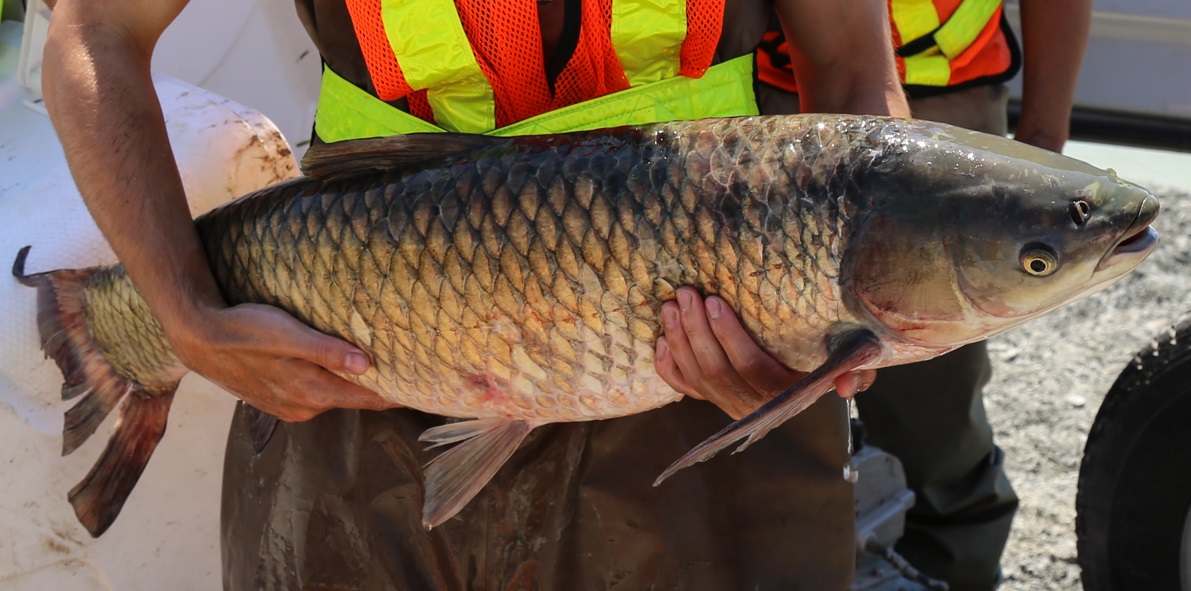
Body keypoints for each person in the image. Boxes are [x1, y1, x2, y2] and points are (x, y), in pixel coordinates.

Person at [42, 0, 906, 588]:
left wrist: (840, 323)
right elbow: (93, 34)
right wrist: (181, 313)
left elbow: (855, 75)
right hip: (365, 375)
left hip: (708, 373)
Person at [754, 1, 1092, 589]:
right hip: (765, 101)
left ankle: (955, 566)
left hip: (950, 100)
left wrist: (1040, 143)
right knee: (764, 390)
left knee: (936, 396)